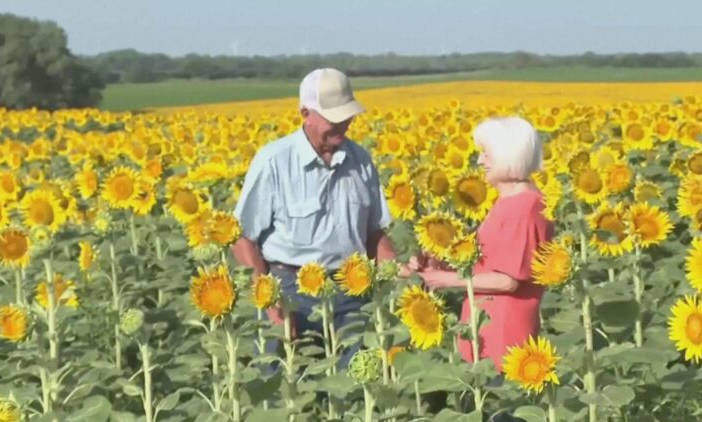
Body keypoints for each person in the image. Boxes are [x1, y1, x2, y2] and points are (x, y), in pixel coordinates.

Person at [232, 67, 396, 367]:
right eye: (334, 117)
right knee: (285, 390)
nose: (344, 123)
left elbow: (375, 234)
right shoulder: (274, 161)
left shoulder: (360, 160)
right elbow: (242, 237)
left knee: (355, 392)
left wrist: (398, 277)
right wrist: (270, 301)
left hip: (352, 290)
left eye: (347, 115)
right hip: (288, 289)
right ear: (305, 113)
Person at [407, 116, 553, 372]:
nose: (480, 161)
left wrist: (447, 280)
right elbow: (488, 265)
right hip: (488, 330)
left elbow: (508, 279)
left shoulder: (524, 206)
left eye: (487, 154)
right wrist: (437, 266)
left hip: (505, 336)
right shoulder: (508, 201)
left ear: (508, 156)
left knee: (502, 407)